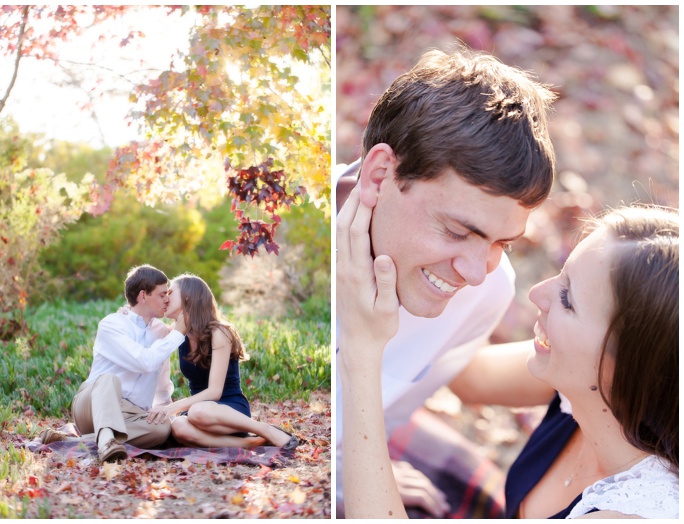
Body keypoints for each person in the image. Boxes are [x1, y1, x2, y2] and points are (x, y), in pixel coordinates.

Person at [339, 203, 679, 518]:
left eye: (567, 298)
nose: (537, 293)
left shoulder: (635, 513)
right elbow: (469, 377)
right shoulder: (590, 382)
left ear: (629, 368)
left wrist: (362, 353)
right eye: (561, 273)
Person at [335, 46, 557, 516]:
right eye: (458, 231)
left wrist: (353, 472)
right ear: (378, 176)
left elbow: (387, 414)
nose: (476, 273)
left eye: (504, 243)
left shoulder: (486, 293)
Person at [40, 264, 188, 463]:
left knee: (162, 429)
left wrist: (163, 410)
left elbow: (161, 382)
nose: (167, 299)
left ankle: (76, 441)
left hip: (131, 415)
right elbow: (144, 362)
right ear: (143, 295)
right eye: (162, 295)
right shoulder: (112, 324)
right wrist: (178, 332)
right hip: (93, 403)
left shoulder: (161, 332)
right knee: (110, 379)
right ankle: (105, 440)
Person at [144, 274, 299, 451]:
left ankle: (266, 430)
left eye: (170, 292)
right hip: (199, 415)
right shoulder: (177, 334)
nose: (165, 297)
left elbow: (215, 392)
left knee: (197, 411)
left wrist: (172, 408)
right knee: (179, 427)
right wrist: (127, 314)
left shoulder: (219, 332)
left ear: (187, 297)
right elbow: (145, 327)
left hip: (227, 409)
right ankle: (253, 442)